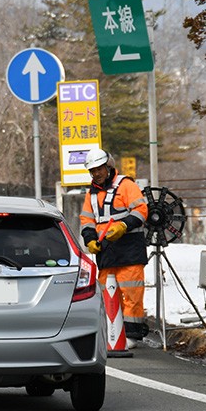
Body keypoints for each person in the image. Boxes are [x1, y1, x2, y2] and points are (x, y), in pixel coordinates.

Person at [79, 148, 149, 347]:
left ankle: (132, 335)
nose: (96, 174)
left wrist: (124, 225)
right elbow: (87, 220)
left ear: (108, 166)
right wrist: (89, 239)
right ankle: (113, 333)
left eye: (99, 169)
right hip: (106, 251)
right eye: (92, 171)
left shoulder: (126, 185)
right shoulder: (91, 194)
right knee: (108, 294)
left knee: (131, 293)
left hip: (129, 250)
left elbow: (141, 210)